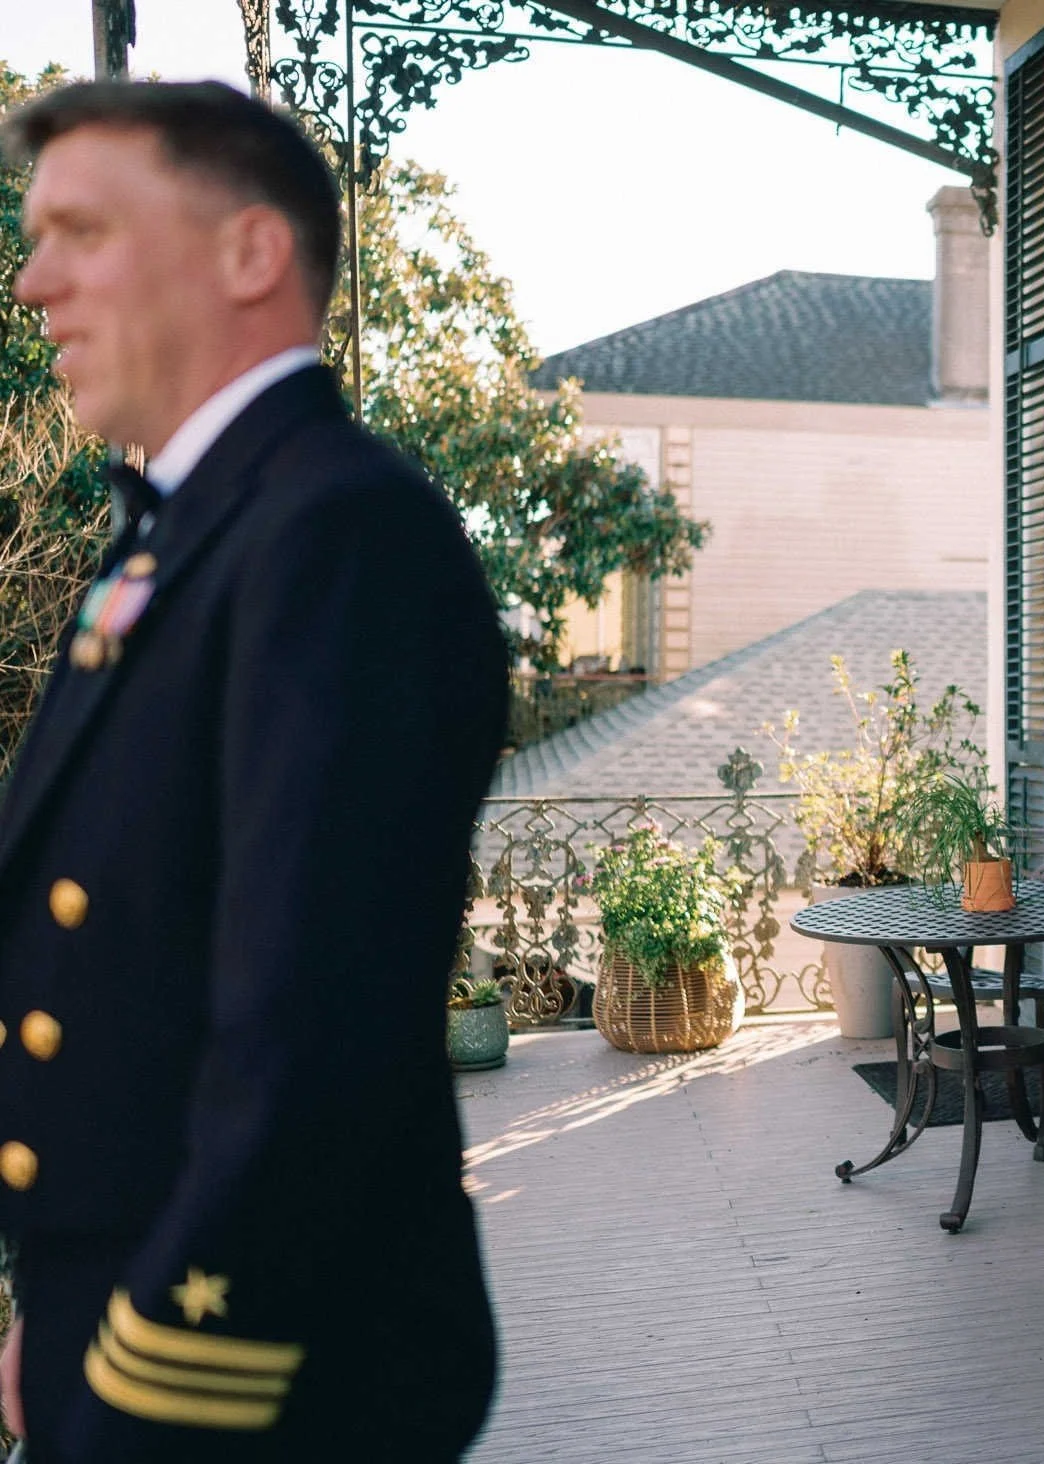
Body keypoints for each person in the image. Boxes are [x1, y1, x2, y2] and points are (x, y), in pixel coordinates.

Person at [0, 82, 507, 1461]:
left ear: (250, 254)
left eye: (81, 232)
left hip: (251, 1373)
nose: (35, 281)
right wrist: (61, 1302)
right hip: (127, 1309)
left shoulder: (339, 539)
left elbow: (305, 1033)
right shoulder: (201, 535)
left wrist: (138, 1373)